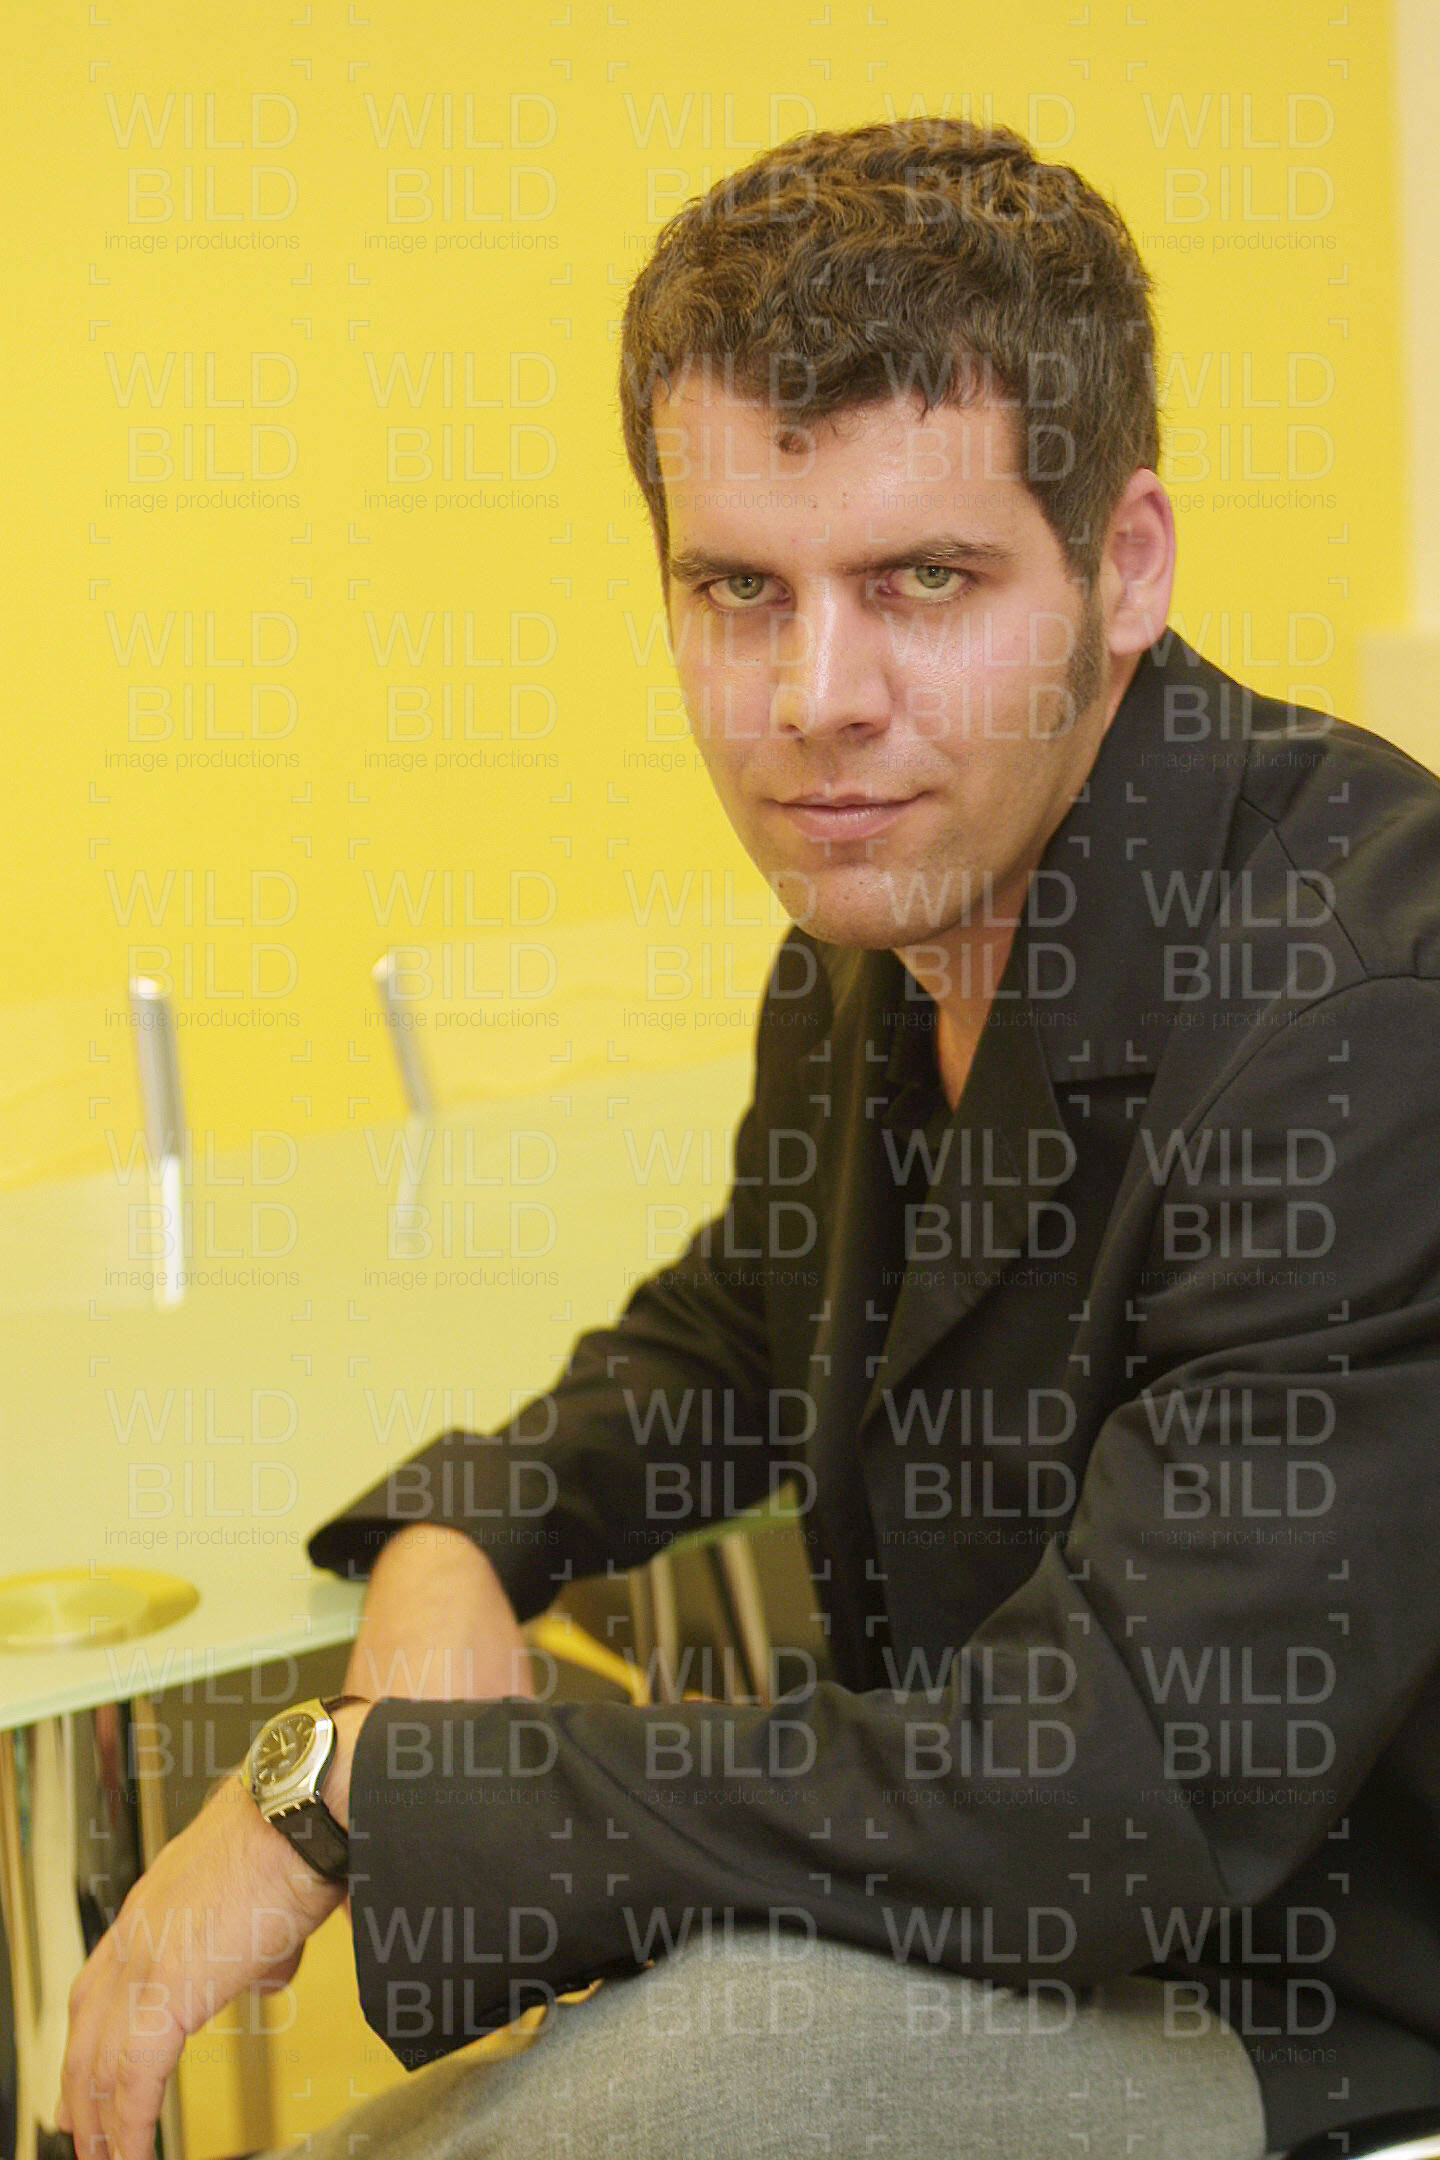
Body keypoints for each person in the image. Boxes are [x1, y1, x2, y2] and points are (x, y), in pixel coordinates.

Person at [59, 116, 1440, 2160]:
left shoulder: (1364, 1005)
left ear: (1127, 565)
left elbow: (1119, 1787)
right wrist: (470, 1529)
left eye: (923, 581)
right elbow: (740, 1326)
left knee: (607, 2108)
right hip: (1022, 1915)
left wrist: (360, 1795)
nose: (815, 698)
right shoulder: (888, 924)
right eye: (737, 589)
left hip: (1320, 1990)